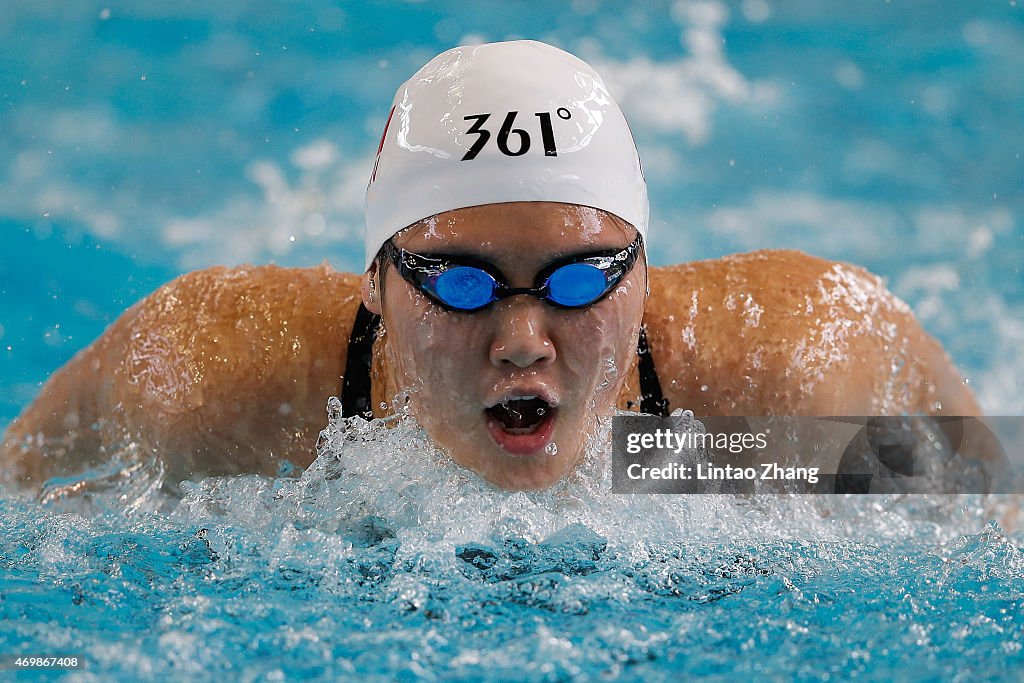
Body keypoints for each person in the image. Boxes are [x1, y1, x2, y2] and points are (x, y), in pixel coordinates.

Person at [1, 40, 980, 493]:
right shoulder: (213, 379)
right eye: (461, 282)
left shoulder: (783, 377)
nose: (522, 340)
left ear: (644, 271)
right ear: (376, 283)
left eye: (579, 279)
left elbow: (994, 512)